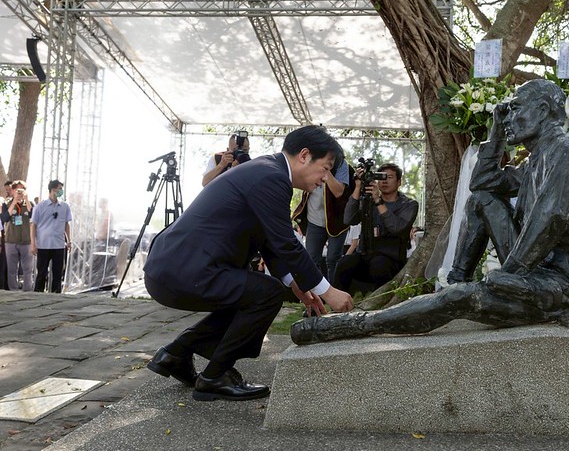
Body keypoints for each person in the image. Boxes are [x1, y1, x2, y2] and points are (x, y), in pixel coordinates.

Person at [291, 79, 569, 345]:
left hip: (563, 282)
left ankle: (357, 324)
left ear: (543, 110)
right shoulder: (536, 160)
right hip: (536, 271)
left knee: (461, 299)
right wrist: (495, 135)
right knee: (482, 200)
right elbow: (483, 184)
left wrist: (511, 272)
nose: (509, 116)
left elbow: (551, 219)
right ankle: (458, 279)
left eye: (515, 109)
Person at [144, 125, 354, 401]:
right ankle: (215, 376)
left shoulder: (267, 170)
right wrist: (328, 291)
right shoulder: (271, 176)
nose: (325, 178)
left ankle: (175, 354)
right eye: (325, 168)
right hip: (183, 270)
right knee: (265, 294)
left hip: (173, 269)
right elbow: (286, 243)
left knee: (250, 292)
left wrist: (297, 285)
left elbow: (269, 241)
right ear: (304, 156)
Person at [333, 162, 418, 295]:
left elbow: (396, 228)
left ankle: (379, 307)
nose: (384, 181)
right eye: (381, 177)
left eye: (389, 177)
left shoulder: (408, 204)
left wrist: (378, 201)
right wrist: (357, 188)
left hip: (390, 258)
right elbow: (349, 219)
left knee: (379, 265)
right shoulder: (368, 201)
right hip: (365, 255)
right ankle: (336, 305)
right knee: (344, 263)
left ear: (399, 182)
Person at [292, 159, 353, 280]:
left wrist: (327, 171)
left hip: (337, 221)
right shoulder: (308, 161)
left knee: (333, 259)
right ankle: (317, 293)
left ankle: (334, 292)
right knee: (311, 259)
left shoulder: (341, 164)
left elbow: (339, 192)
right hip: (313, 219)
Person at [31, 179, 73, 293]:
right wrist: (33, 244)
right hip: (43, 244)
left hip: (59, 245)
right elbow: (33, 225)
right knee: (42, 273)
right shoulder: (40, 206)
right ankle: (38, 295)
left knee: (58, 273)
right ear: (53, 190)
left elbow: (66, 224)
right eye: (59, 189)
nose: (61, 191)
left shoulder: (65, 206)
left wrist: (69, 241)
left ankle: (56, 296)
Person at [1, 181, 35, 290]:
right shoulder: (6, 204)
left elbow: (33, 216)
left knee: (27, 269)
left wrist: (26, 200)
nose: (19, 192)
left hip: (27, 241)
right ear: (12, 191)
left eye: (22, 190)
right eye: (17, 190)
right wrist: (14, 202)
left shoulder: (29, 203)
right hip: (11, 241)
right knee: (12, 269)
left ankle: (27, 291)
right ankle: (13, 291)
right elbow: (4, 218)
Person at [1, 180, 14, 290]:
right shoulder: (5, 203)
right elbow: (4, 218)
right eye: (6, 190)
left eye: (9, 189)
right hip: (5, 236)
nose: (8, 191)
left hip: (13, 238)